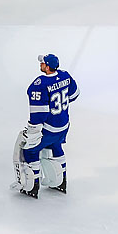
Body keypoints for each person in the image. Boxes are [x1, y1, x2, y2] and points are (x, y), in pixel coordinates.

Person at [14, 53, 79, 198]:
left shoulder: (40, 84)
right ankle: (60, 181)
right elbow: (74, 95)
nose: (41, 64)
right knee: (55, 146)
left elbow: (39, 113)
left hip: (49, 128)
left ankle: (32, 186)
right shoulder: (65, 76)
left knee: (30, 151)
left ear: (48, 67)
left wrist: (33, 129)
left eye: (43, 63)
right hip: (63, 125)